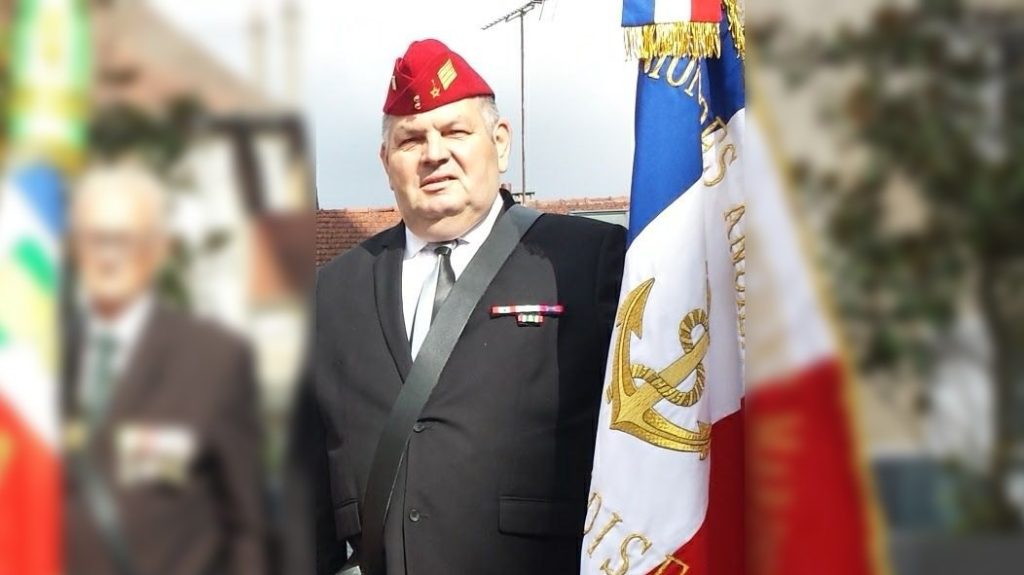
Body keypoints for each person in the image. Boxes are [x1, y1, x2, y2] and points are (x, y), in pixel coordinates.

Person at [308, 39, 626, 574]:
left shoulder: (587, 262)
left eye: (455, 131)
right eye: (411, 140)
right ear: (387, 163)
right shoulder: (332, 292)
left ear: (500, 143)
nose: (434, 153)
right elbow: (305, 482)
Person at [63, 164, 268, 575]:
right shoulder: (33, 361)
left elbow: (249, 525)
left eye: (124, 239)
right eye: (94, 238)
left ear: (159, 249)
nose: (107, 255)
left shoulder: (212, 360)